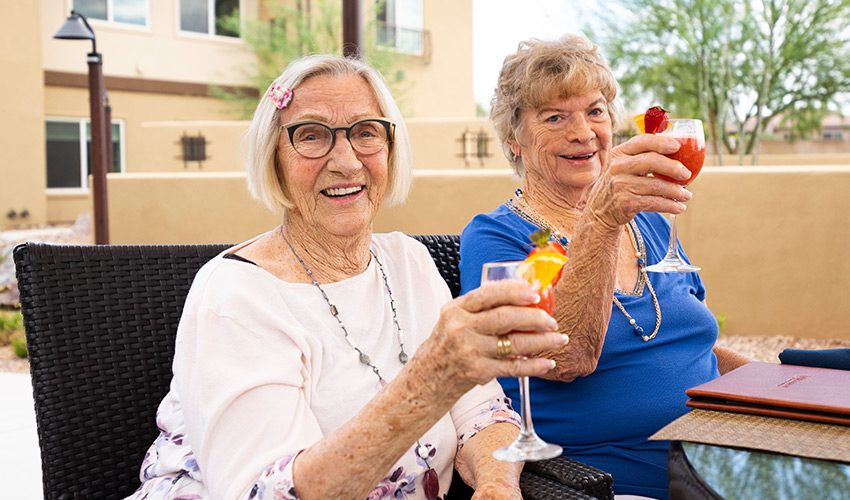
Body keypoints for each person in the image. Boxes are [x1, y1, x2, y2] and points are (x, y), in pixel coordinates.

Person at [126, 54, 570, 500]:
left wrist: (495, 486)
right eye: (312, 136)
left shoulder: (408, 261)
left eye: (365, 132)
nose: (346, 161)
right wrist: (431, 380)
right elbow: (267, 493)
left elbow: (483, 414)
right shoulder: (236, 297)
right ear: (274, 157)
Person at [459, 34, 751, 500]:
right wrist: (601, 218)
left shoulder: (650, 220)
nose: (584, 133)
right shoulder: (499, 238)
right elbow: (568, 359)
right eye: (555, 117)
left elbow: (697, 345)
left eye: (595, 111)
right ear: (514, 138)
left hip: (724, 452)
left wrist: (778, 389)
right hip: (622, 476)